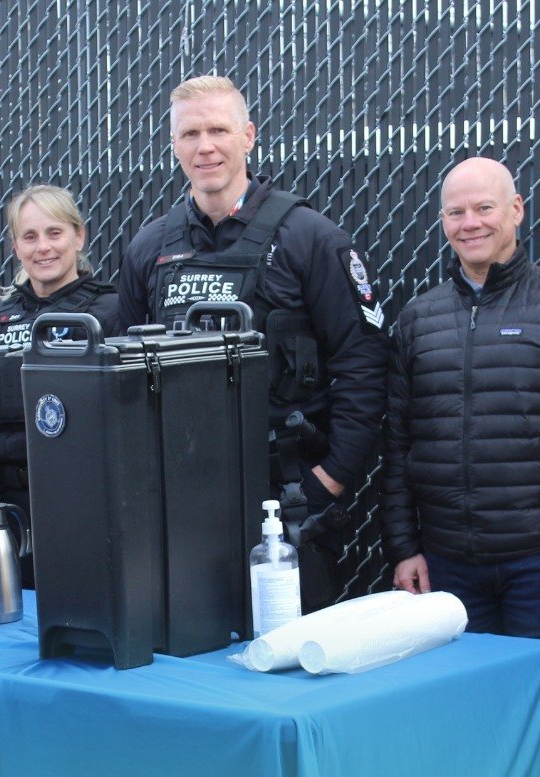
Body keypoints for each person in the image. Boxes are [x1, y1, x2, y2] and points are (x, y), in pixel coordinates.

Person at [117, 75, 390, 611]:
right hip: (180, 496)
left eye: (218, 129)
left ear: (248, 136)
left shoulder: (309, 237)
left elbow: (366, 364)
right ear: (174, 146)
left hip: (287, 496)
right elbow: (120, 372)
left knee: (292, 662)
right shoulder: (151, 247)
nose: (205, 146)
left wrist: (329, 480)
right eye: (190, 134)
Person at [381, 156, 540, 686]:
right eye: (455, 212)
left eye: (484, 208)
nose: (469, 222)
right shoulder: (418, 320)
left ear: (515, 210)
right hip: (448, 570)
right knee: (472, 716)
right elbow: (399, 441)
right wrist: (405, 547)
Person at [0, 184, 119, 583]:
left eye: (55, 233)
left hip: (84, 501)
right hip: (7, 505)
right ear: (16, 246)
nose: (43, 247)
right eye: (29, 236)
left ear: (78, 236)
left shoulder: (112, 312)